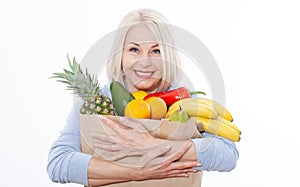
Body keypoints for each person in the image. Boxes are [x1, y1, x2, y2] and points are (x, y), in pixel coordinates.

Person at [47, 8, 239, 187]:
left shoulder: (186, 104)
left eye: (156, 51)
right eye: (134, 49)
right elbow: (58, 162)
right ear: (119, 56)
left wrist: (156, 145)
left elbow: (227, 154)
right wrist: (137, 172)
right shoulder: (96, 102)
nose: (145, 61)